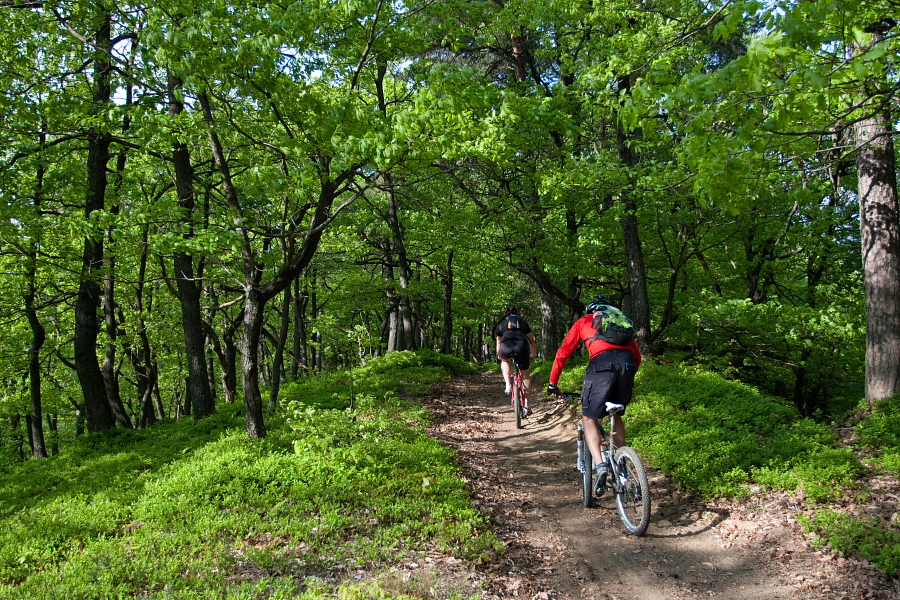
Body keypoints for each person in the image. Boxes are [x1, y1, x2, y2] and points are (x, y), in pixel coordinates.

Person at [547, 295, 642, 478]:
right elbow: (637, 357)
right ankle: (621, 462)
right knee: (617, 413)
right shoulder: (619, 324)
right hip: (627, 366)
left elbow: (563, 353)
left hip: (601, 365)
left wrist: (553, 383)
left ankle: (600, 466)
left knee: (589, 418)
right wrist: (627, 377)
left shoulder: (584, 321)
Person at [494, 307, 538, 413]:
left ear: (506, 315)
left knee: (505, 361)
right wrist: (534, 353)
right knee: (525, 375)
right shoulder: (522, 322)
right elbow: (532, 340)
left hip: (506, 347)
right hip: (521, 347)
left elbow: (499, 342)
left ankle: (508, 385)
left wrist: (499, 355)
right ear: (517, 314)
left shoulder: (501, 324)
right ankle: (527, 406)